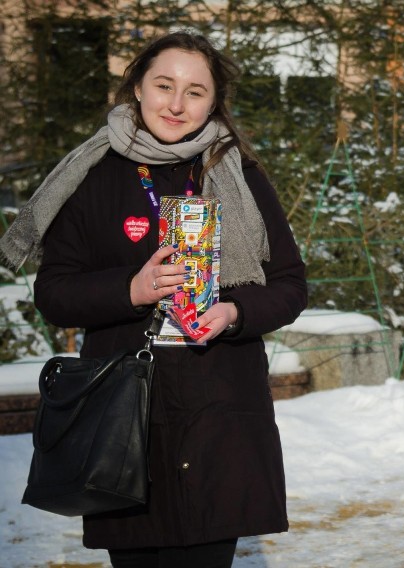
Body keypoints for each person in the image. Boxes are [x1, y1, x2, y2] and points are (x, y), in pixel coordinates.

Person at [0, 32, 307, 567]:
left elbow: (289, 284)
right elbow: (53, 293)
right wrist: (130, 289)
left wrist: (236, 313)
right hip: (124, 422)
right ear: (138, 87)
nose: (176, 103)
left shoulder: (237, 173)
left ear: (214, 102)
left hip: (219, 413)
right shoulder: (93, 176)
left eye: (195, 92)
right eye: (164, 85)